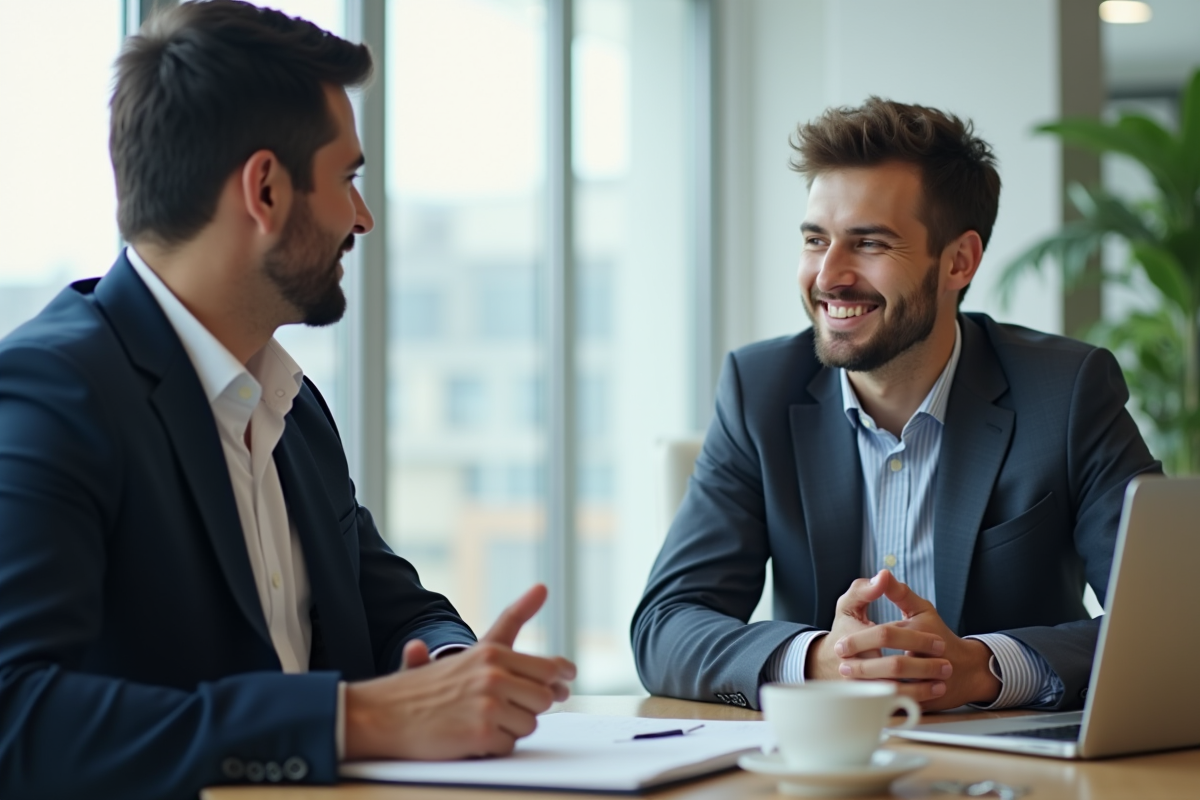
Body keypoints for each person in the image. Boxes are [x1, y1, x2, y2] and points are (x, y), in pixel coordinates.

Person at [0, 3, 574, 798]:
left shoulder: (288, 406)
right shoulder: (52, 392)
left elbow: (395, 610)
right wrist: (357, 721)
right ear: (265, 190)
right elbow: (16, 717)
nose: (362, 218)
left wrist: (452, 672)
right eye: (348, 179)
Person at [631, 97, 1160, 714]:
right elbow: (665, 627)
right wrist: (816, 659)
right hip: (822, 765)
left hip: (1010, 766)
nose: (829, 275)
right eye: (815, 240)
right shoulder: (759, 388)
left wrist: (986, 668)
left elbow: (1169, 622)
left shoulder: (1066, 389)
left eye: (869, 243)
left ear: (958, 261)